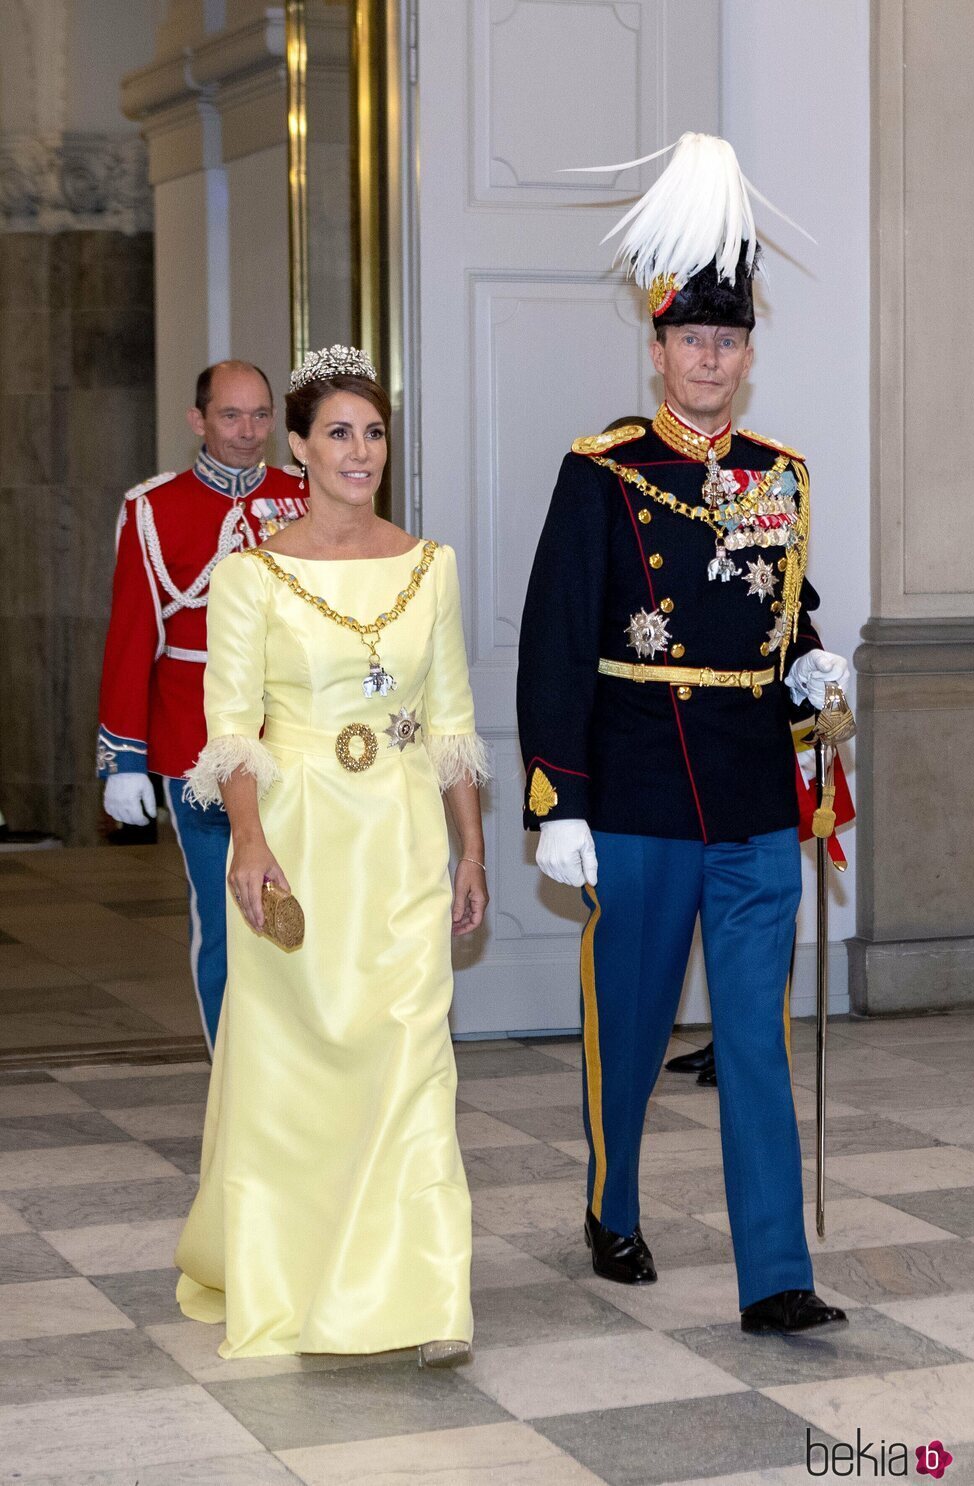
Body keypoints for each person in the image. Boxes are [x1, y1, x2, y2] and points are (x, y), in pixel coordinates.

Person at [517, 134, 849, 1334]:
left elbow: (780, 603)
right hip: (642, 790)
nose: (708, 359)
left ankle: (775, 1275)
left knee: (752, 1041)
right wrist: (558, 799)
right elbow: (555, 636)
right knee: (636, 1023)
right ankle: (611, 1202)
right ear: (656, 347)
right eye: (688, 339)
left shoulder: (780, 477)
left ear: (748, 357)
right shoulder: (601, 471)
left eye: (726, 341)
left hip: (755, 796)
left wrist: (810, 659)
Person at [175, 344, 491, 1363]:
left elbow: (449, 723)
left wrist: (470, 852)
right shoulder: (250, 577)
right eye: (339, 433)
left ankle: (425, 1296)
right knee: (296, 1067)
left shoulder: (429, 565)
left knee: (411, 1056)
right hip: (300, 836)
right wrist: (251, 844)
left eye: (374, 432)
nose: (361, 451)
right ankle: (291, 1273)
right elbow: (230, 726)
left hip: (399, 839)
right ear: (299, 449)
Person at [97, 361, 306, 1051]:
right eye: (230, 416)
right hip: (198, 749)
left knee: (305, 913)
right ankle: (233, 1075)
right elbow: (133, 639)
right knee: (226, 918)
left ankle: (298, 1072)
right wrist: (123, 757)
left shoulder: (305, 497)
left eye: (259, 416)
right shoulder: (154, 509)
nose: (248, 433)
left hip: (300, 740)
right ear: (199, 420)